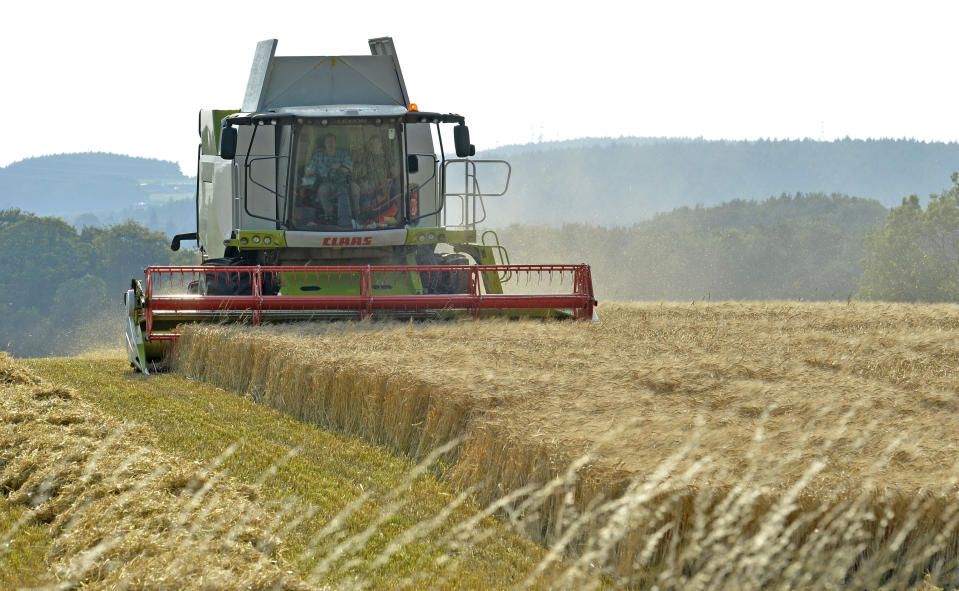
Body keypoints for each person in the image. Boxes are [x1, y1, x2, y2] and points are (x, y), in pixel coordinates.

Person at [302, 133, 353, 227]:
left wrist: (340, 167)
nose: (330, 144)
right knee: (323, 191)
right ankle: (329, 216)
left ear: (335, 142)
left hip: (341, 183)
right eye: (328, 142)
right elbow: (307, 171)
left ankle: (345, 220)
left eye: (332, 141)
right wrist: (311, 171)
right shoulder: (318, 155)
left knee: (344, 192)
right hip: (325, 182)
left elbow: (349, 170)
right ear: (324, 143)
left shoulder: (343, 154)